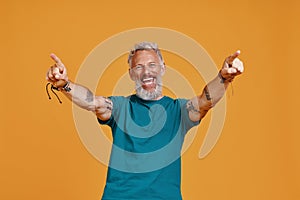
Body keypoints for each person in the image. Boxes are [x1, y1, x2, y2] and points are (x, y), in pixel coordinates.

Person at [46, 42, 244, 200]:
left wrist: (224, 78)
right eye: (138, 67)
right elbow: (92, 102)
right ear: (131, 74)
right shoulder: (120, 108)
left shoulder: (178, 111)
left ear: (162, 69)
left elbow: (204, 102)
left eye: (152, 65)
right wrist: (65, 85)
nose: (146, 72)